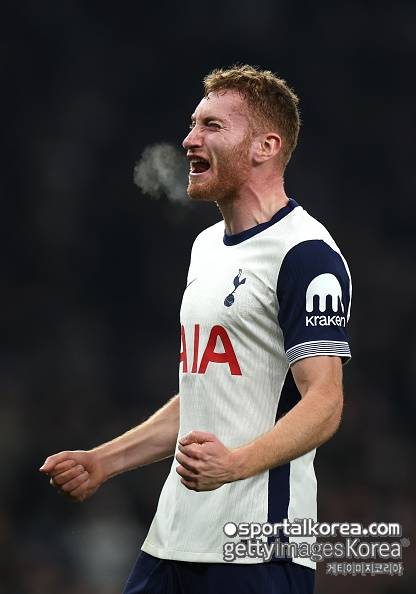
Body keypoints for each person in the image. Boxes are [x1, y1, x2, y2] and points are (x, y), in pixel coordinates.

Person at [40, 65, 352, 594]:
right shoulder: (206, 246)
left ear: (265, 146)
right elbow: (205, 394)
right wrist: (103, 462)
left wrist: (233, 465)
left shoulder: (306, 254)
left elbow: (325, 401)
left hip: (258, 547)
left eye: (211, 126)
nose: (189, 139)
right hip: (173, 538)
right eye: (192, 124)